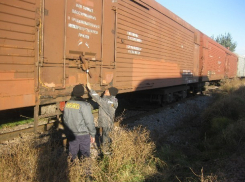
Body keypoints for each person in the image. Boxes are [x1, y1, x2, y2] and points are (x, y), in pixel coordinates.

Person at [63, 84, 96, 160]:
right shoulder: (85, 105)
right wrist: (92, 134)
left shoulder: (68, 104)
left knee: (72, 154)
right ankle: (86, 171)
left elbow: (65, 119)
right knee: (85, 155)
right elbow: (89, 121)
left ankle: (72, 169)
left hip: (72, 134)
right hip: (83, 134)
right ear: (82, 94)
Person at [86, 83, 118, 154]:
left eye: (107, 91)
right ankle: (109, 149)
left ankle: (106, 153)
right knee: (106, 136)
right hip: (108, 122)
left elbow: (98, 99)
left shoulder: (108, 102)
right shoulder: (112, 100)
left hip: (107, 123)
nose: (105, 91)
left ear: (110, 94)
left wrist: (90, 89)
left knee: (105, 137)